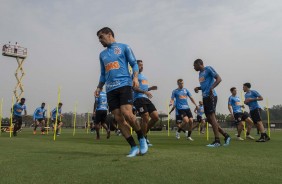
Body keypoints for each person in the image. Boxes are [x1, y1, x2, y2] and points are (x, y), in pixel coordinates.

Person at [95, 27, 148, 157]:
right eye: (99, 38)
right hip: (110, 89)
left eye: (101, 37)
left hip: (124, 85)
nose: (100, 40)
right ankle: (133, 147)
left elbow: (134, 64)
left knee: (127, 113)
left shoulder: (124, 47)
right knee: (118, 118)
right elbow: (103, 74)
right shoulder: (102, 55)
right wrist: (99, 87)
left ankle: (141, 138)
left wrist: (135, 77)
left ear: (109, 34)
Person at [194, 59, 231, 147]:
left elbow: (219, 79)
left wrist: (212, 88)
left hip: (211, 96)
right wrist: (198, 88)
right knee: (210, 119)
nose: (193, 67)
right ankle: (226, 135)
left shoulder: (208, 69)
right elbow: (204, 86)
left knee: (212, 117)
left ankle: (217, 141)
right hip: (205, 97)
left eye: (194, 65)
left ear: (199, 64)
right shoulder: (200, 74)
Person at [133, 60, 159, 146]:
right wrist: (145, 92)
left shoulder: (144, 77)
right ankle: (143, 139)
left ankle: (142, 135)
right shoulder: (134, 76)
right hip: (138, 99)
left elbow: (145, 89)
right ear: (136, 66)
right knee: (146, 117)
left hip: (146, 99)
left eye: (142, 65)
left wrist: (150, 88)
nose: (142, 67)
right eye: (140, 65)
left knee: (155, 117)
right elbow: (134, 88)